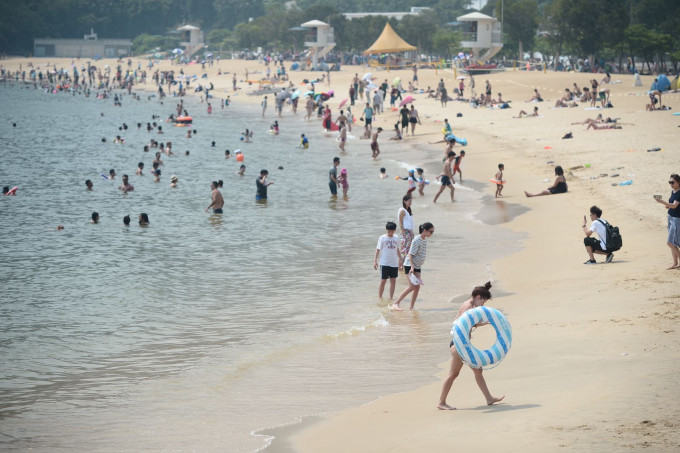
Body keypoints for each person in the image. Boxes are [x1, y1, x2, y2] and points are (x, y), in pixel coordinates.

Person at [437, 282, 505, 410]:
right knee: (453, 374)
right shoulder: (468, 307)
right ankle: (441, 402)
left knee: (477, 371)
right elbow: (462, 325)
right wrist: (482, 323)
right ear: (478, 297)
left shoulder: (470, 305)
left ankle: (489, 399)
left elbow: (468, 323)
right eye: (483, 302)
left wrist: (484, 323)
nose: (483, 305)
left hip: (462, 345)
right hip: (459, 346)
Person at [391, 222, 434, 311]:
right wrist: (412, 267)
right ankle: (396, 303)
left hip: (417, 265)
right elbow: (410, 254)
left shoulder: (424, 239)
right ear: (425, 231)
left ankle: (411, 307)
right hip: (409, 265)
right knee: (411, 287)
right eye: (431, 232)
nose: (431, 234)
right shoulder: (417, 240)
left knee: (417, 286)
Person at [654, 173, 680, 269]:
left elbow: (674, 206)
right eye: (670, 182)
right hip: (670, 217)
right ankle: (675, 263)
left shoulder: (679, 193)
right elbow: (671, 205)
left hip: (676, 219)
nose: (671, 184)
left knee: (670, 243)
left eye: (672, 182)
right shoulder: (673, 192)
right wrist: (666, 205)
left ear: (678, 182)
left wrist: (662, 202)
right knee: (672, 242)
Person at [374, 221, 403, 299]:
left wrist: (400, 260)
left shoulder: (396, 238)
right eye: (389, 231)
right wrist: (375, 261)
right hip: (384, 262)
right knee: (383, 280)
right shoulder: (382, 238)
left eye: (392, 231)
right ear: (386, 230)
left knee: (393, 281)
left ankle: (391, 298)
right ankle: (380, 297)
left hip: (394, 263)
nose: (390, 233)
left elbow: (397, 250)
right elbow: (378, 249)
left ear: (395, 230)